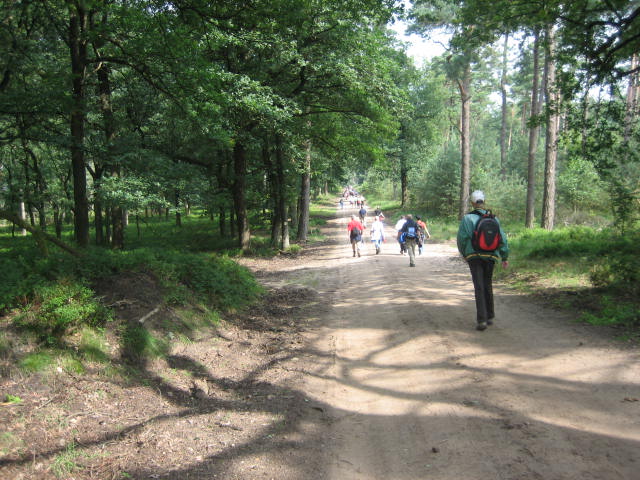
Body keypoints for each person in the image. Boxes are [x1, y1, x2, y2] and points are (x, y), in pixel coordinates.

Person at [456, 190, 509, 331]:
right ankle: (490, 316)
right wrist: (504, 256)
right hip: (491, 256)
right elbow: (503, 239)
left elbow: (462, 239)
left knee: (478, 286)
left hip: (474, 256)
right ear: (483, 201)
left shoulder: (467, 219)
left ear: (472, 203)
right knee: (487, 284)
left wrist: (464, 254)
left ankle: (482, 320)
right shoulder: (494, 219)